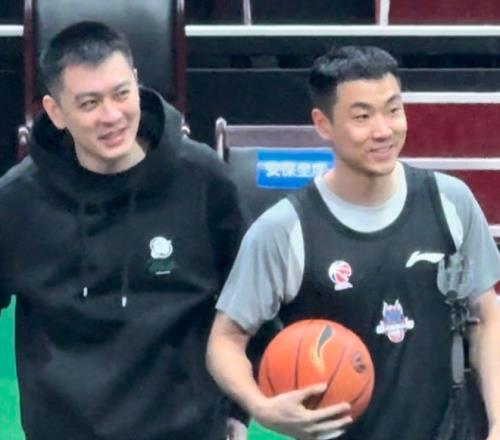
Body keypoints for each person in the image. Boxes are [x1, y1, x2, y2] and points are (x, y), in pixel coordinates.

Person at [206, 45, 500, 440]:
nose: (383, 130)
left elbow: (487, 318)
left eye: (393, 110)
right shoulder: (285, 228)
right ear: (323, 124)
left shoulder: (451, 201)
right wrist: (260, 406)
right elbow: (224, 341)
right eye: (362, 116)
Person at [0, 21, 246, 440]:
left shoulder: (204, 179)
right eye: (89, 103)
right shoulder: (17, 201)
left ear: (136, 81)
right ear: (55, 112)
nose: (112, 116)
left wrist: (239, 410)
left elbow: (250, 301)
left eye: (121, 93)